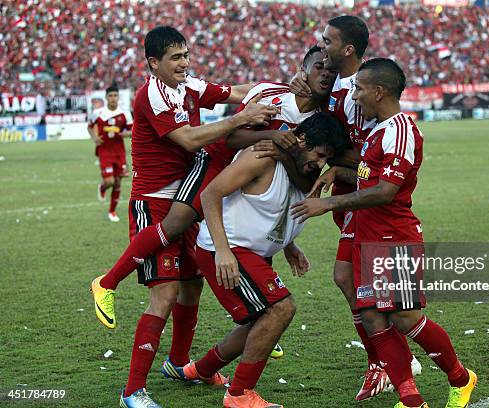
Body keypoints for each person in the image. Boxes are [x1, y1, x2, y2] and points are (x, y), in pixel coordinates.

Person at [90, 26, 279, 408]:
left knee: (192, 286)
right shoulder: (150, 95)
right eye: (176, 58)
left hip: (185, 198)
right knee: (165, 293)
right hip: (154, 201)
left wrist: (283, 92)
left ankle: (177, 364)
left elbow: (236, 92)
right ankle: (132, 390)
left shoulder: (188, 85)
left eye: (186, 55)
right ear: (154, 63)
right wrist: (240, 120)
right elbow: (190, 140)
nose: (185, 63)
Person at [290, 58, 477, 408]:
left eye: (359, 89)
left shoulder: (399, 130)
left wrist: (329, 205)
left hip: (394, 236)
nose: (354, 95)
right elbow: (367, 180)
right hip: (366, 236)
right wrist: (337, 175)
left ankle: (462, 379)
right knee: (374, 316)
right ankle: (411, 400)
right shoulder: (377, 131)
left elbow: (385, 192)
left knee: (405, 318)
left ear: (378, 91)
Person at [286, 15, 421, 401]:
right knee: (358, 284)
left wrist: (336, 169)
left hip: (366, 199)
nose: (321, 44)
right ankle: (394, 361)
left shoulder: (358, 91)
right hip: (351, 194)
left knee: (352, 280)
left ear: (347, 49)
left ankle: (388, 363)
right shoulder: (339, 85)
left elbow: (367, 152)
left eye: (327, 40)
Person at [181, 112, 347, 408]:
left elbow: (271, 206)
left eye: (327, 159)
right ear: (302, 140)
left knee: (260, 319)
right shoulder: (264, 156)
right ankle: (239, 394)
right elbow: (210, 195)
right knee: (280, 309)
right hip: (228, 248)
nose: (320, 163)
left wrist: (289, 244)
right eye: (319, 154)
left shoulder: (299, 168)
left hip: (251, 251)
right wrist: (222, 250)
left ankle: (201, 370)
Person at [87, 84, 133, 222]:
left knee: (118, 183)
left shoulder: (125, 114)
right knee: (110, 181)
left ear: (118, 97)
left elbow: (132, 131)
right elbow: (89, 127)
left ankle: (112, 211)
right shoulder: (98, 113)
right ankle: (102, 186)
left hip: (119, 152)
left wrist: (125, 133)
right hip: (104, 151)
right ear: (106, 98)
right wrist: (95, 138)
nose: (113, 98)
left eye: (115, 96)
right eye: (110, 96)